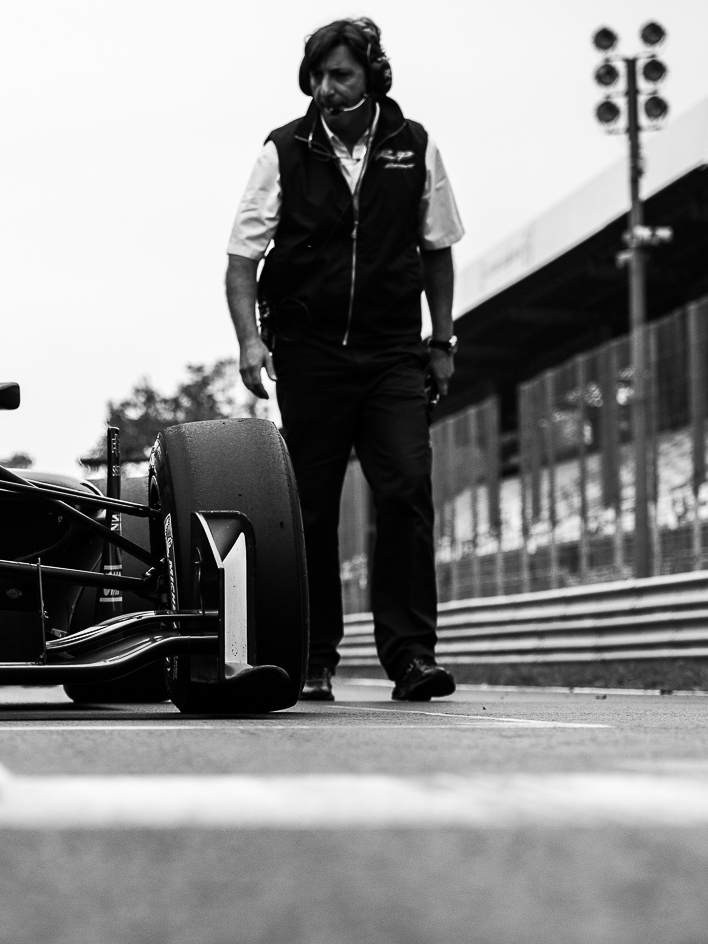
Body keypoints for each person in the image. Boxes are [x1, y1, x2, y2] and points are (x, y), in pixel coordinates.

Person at [224, 16, 461, 703]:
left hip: (393, 355)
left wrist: (442, 341)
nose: (326, 89)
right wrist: (250, 340)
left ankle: (412, 656)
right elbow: (241, 260)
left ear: (372, 77)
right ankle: (313, 656)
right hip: (311, 355)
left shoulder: (414, 146)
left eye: (341, 75)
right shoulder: (282, 151)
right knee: (309, 509)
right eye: (318, 76)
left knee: (406, 492)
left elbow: (438, 249)